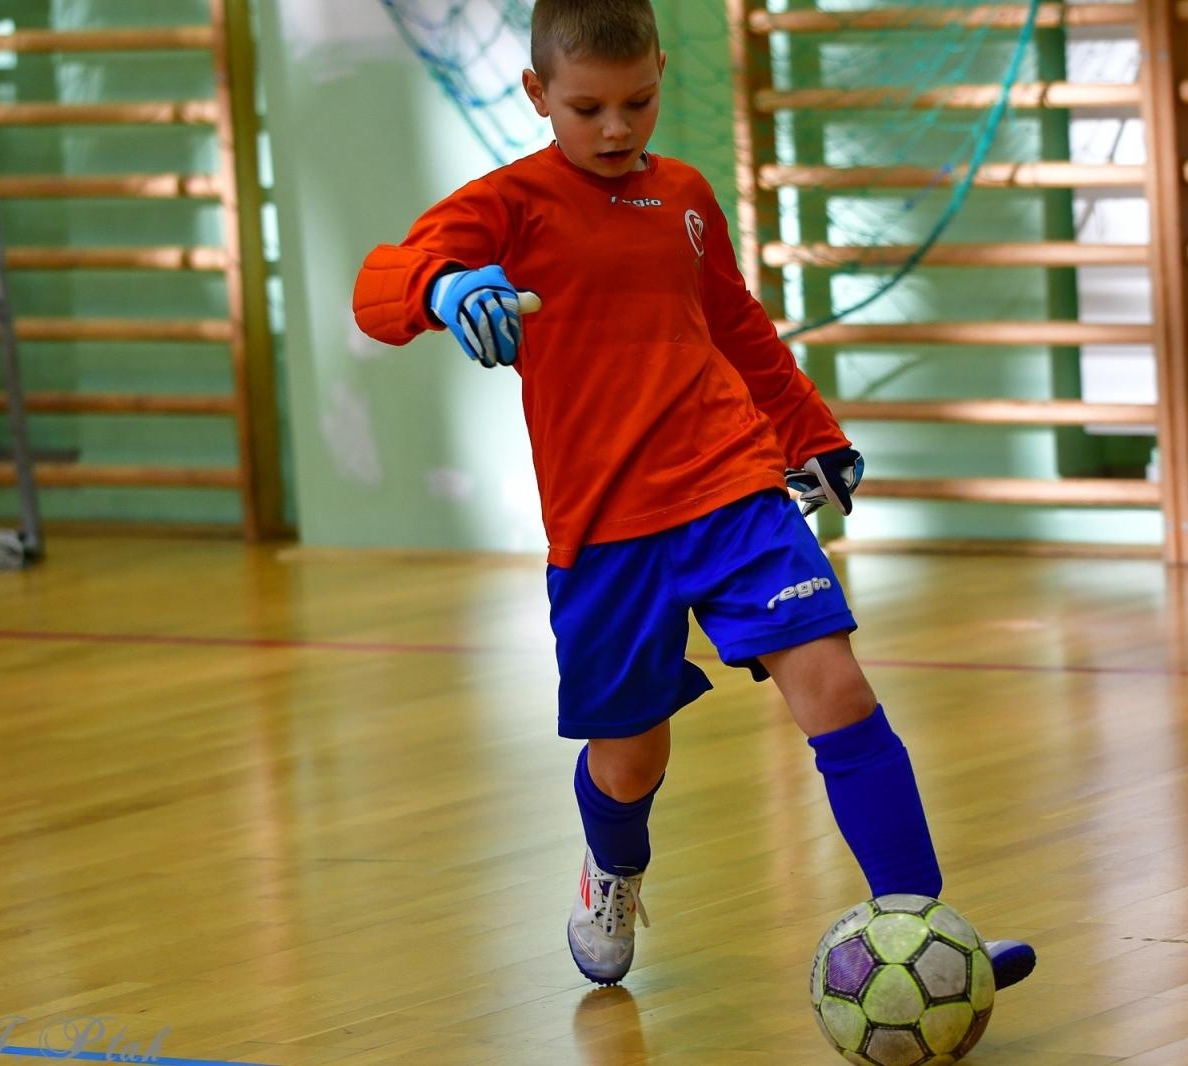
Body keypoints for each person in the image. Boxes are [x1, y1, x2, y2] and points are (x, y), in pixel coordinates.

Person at [353, 0, 1036, 992]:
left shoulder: (681, 194)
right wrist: (446, 291)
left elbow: (735, 322)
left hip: (733, 488)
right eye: (587, 108)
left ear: (662, 74)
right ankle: (613, 869)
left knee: (836, 688)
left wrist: (811, 433)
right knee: (628, 762)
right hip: (604, 528)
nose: (617, 129)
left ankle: (923, 928)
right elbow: (380, 286)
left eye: (639, 101)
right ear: (538, 94)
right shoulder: (508, 203)